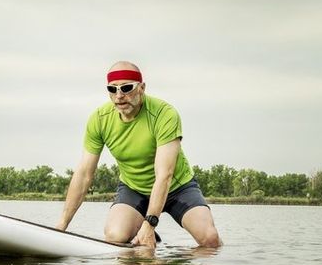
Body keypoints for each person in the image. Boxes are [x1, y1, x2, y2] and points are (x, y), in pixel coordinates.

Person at [56, 61, 221, 248]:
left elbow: (164, 175)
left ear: (142, 88)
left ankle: (147, 228)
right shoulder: (99, 119)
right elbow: (84, 174)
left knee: (210, 239)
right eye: (112, 89)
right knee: (115, 235)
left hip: (177, 188)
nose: (119, 96)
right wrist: (61, 226)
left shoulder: (164, 114)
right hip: (134, 189)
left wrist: (150, 223)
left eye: (126, 88)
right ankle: (141, 231)